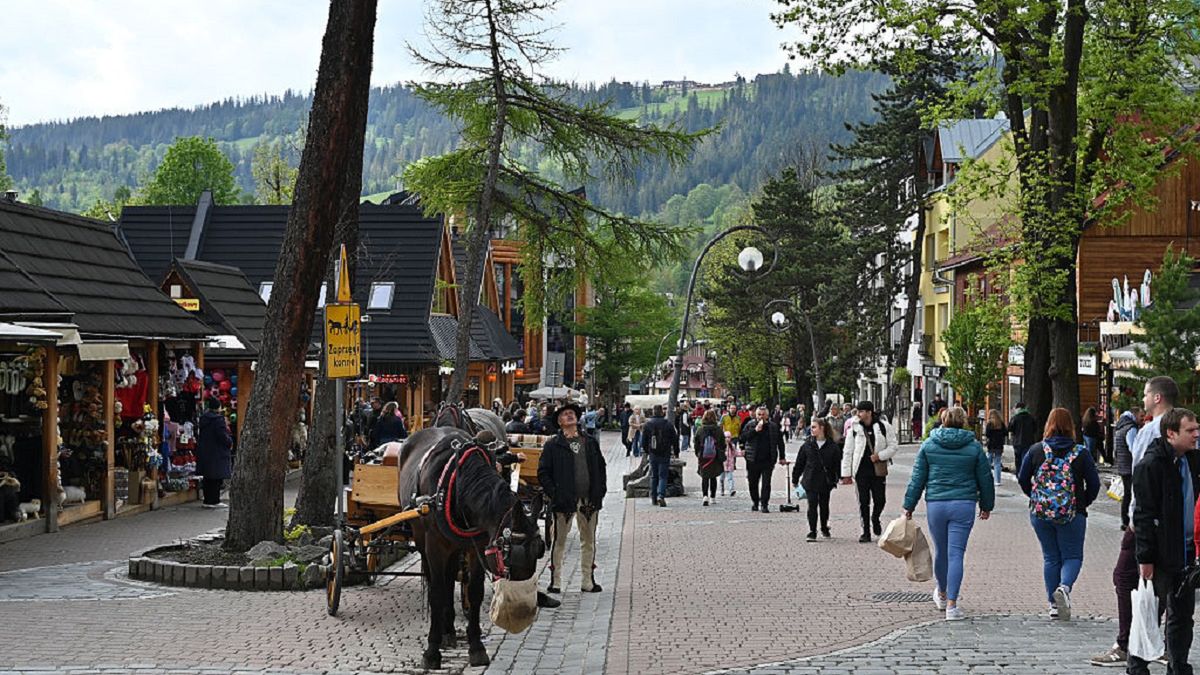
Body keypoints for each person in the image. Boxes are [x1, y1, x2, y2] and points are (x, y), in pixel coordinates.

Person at [1089, 376, 1178, 668]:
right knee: (1159, 581)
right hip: (1170, 519)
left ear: (1157, 398)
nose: (1142, 400)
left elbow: (1140, 479)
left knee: (1125, 577)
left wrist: (1132, 518)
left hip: (1145, 519)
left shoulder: (1152, 430)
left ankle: (1129, 642)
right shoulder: (1183, 429)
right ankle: (1153, 640)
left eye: (1145, 395)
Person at [1126, 407, 1200, 674]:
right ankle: (1137, 666)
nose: (1196, 435)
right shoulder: (1151, 465)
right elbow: (1143, 514)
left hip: (1188, 550)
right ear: (1171, 433)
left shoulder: (1192, 460)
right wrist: (1145, 557)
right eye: (1190, 431)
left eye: (1197, 429)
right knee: (1150, 613)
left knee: (1182, 616)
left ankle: (1178, 666)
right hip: (1161, 552)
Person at [902, 406, 994, 621]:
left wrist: (909, 505)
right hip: (964, 504)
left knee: (941, 551)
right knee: (956, 554)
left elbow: (917, 478)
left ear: (942, 420)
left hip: (936, 503)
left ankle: (941, 594)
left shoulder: (929, 445)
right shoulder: (973, 447)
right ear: (963, 422)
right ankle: (952, 605)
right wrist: (987, 505)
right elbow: (985, 479)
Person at [1017, 408, 1101, 621]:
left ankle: (1053, 605)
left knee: (1050, 557)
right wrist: (1082, 502)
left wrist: (1036, 497)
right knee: (1072, 556)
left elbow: (1022, 478)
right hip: (1072, 513)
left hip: (1041, 512)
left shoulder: (1037, 450)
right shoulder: (1081, 452)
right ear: (1071, 427)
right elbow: (1094, 483)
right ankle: (1064, 588)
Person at [537, 402, 607, 595]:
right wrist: (555, 493)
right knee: (559, 541)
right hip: (564, 501)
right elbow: (543, 472)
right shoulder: (553, 445)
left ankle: (587, 581)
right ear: (559, 422)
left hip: (589, 500)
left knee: (589, 541)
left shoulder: (589, 442)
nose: (570, 416)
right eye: (565, 414)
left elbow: (600, 467)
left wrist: (600, 491)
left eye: (572, 414)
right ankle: (556, 581)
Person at [841, 401, 899, 542]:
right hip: (860, 469)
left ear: (869, 412)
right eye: (858, 411)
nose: (859, 414)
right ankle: (865, 531)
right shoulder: (854, 428)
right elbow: (848, 451)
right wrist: (846, 474)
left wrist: (880, 456)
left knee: (880, 500)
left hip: (877, 469)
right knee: (863, 501)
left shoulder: (883, 426)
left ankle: (875, 517)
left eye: (862, 411)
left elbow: (893, 446)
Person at [793, 416, 842, 541]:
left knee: (824, 505)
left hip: (826, 480)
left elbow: (837, 464)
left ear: (822, 428)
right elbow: (800, 463)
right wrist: (795, 478)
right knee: (812, 505)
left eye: (814, 427)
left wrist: (837, 478)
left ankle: (824, 527)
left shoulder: (832, 446)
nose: (811, 429)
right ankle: (812, 531)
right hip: (810, 479)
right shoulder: (807, 445)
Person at [739, 405, 787, 512]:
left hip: (768, 459)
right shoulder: (750, 425)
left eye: (763, 415)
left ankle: (765, 504)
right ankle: (755, 502)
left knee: (766, 483)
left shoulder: (773, 426)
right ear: (756, 415)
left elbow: (780, 442)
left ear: (767, 416)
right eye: (759, 415)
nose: (761, 417)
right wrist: (755, 431)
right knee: (753, 482)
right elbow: (743, 437)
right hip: (753, 459)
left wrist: (782, 457)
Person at [196, 397, 233, 508]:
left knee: (207, 476)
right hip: (217, 451)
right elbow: (222, 435)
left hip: (206, 450)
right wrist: (229, 442)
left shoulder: (203, 418)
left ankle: (207, 500)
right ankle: (214, 500)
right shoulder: (218, 420)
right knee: (217, 477)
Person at [641, 405, 678, 507]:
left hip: (653, 453)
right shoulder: (668, 424)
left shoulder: (648, 425)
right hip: (665, 453)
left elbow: (643, 441)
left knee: (654, 476)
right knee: (663, 476)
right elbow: (674, 439)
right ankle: (661, 496)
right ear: (662, 412)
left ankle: (653, 498)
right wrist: (676, 451)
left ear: (653, 412)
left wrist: (647, 451)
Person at [1113, 407, 1141, 530]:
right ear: (1134, 415)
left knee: (1127, 494)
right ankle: (1127, 520)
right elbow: (1134, 449)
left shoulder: (1120, 427)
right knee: (1130, 494)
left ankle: (1125, 519)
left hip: (1123, 466)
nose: (1143, 419)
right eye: (1141, 416)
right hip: (1130, 466)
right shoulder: (1131, 428)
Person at [693, 409, 726, 506]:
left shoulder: (700, 429)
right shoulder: (718, 429)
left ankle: (705, 496)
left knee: (705, 477)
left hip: (704, 456)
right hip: (715, 456)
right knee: (713, 476)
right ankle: (713, 497)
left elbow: (696, 443)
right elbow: (723, 444)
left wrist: (698, 453)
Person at [1007, 402, 1038, 476]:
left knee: (1018, 459)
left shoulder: (1015, 418)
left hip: (1017, 442)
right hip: (1029, 441)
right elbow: (1035, 429)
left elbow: (1010, 428)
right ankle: (1025, 473)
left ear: (1018, 408)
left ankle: (1019, 473)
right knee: (1026, 458)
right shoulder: (1031, 417)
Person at [984, 409, 1007, 486]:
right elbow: (1005, 433)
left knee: (988, 462)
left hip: (991, 445)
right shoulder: (1001, 424)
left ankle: (986, 478)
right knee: (997, 463)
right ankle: (998, 480)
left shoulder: (989, 424)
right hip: (999, 445)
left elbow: (987, 434)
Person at [721, 430, 738, 497]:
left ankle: (731, 490)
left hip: (729, 465)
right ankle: (722, 490)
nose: (727, 439)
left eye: (728, 437)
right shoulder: (722, 446)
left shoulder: (732, 446)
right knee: (721, 479)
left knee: (730, 478)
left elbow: (735, 453)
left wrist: (742, 453)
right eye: (726, 437)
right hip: (722, 465)